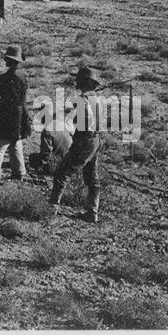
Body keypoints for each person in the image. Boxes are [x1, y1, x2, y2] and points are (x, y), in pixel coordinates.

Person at [50, 64, 104, 223]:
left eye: (80, 81)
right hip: (95, 140)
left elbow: (74, 119)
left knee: (62, 173)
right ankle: (92, 211)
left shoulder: (82, 100)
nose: (77, 83)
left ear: (85, 83)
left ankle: (52, 207)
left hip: (84, 141)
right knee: (92, 178)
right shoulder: (97, 100)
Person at [0, 45, 32, 181]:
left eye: (7, 58)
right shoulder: (22, 77)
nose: (5, 60)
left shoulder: (8, 76)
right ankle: (19, 172)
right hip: (21, 114)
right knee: (15, 142)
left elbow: (2, 90)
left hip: (9, 115)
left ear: (10, 60)